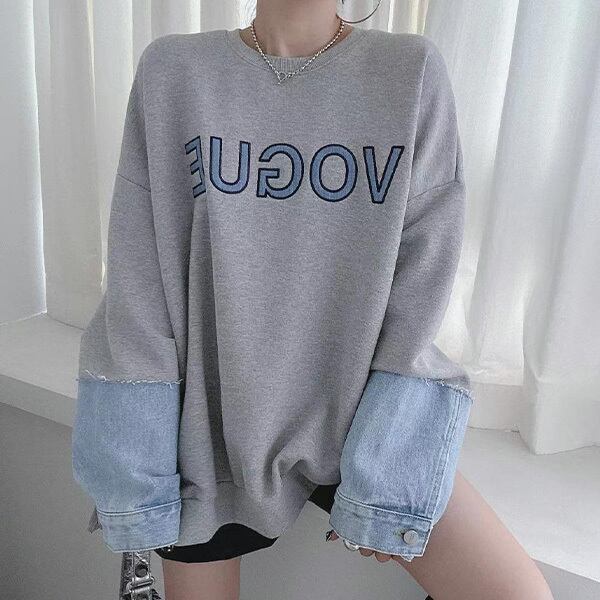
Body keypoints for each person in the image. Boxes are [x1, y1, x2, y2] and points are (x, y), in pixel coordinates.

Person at [71, 1, 555, 599]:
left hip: (358, 418)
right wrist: (140, 473)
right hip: (206, 429)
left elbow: (423, 278)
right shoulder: (174, 70)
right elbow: (139, 278)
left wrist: (386, 478)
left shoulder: (409, 71)